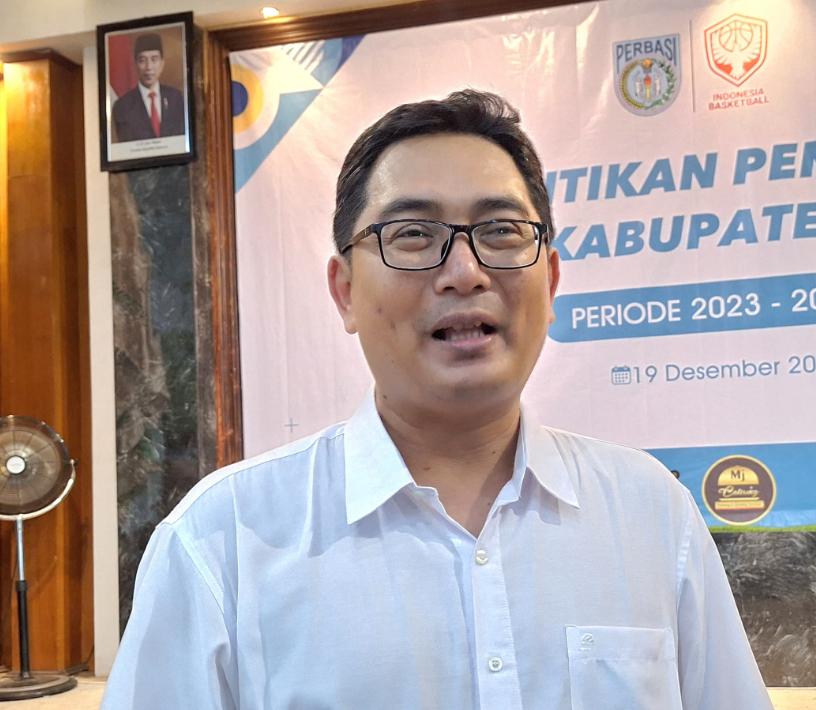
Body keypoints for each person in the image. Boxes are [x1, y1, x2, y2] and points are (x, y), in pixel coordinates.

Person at [101, 89, 772, 709]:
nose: (465, 272)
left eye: (501, 231)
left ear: (551, 279)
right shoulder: (220, 542)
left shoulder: (651, 514)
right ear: (345, 292)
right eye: (413, 236)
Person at [110, 33, 185, 143]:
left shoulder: (176, 98)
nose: (149, 67)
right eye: (142, 60)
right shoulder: (122, 106)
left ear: (162, 63)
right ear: (135, 64)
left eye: (154, 59)